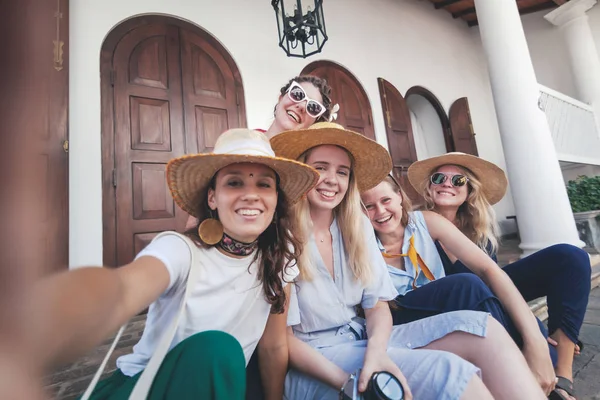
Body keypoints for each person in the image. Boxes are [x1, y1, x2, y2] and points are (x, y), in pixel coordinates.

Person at [23, 128, 320, 400]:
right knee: (219, 349)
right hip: (151, 387)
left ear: (275, 198)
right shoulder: (180, 249)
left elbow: (273, 345)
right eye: (235, 182)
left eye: (264, 184)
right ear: (213, 198)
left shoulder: (280, 256)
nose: (251, 195)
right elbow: (124, 288)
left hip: (217, 388)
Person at [271, 122, 545, 400]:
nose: (332, 179)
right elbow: (281, 342)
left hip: (366, 340)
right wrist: (347, 383)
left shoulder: (356, 228)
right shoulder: (283, 237)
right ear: (303, 172)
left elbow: (376, 306)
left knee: (484, 330)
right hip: (317, 360)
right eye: (320, 168)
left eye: (342, 171)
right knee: (447, 370)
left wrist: (377, 353)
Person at [407, 152, 592, 400]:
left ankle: (563, 376)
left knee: (571, 258)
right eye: (439, 178)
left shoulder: (480, 232)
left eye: (458, 180)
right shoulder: (415, 224)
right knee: (472, 286)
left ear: (469, 191)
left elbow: (495, 283)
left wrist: (533, 336)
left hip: (489, 299)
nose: (447, 184)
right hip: (452, 307)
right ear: (429, 187)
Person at [185, 74, 335, 234]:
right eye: (297, 94)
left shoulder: (303, 171)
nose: (301, 106)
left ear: (313, 122)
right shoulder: (238, 141)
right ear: (280, 98)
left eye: (313, 108)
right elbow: (202, 208)